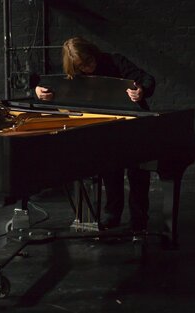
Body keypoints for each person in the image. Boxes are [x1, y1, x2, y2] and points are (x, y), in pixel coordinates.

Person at [35, 37, 156, 232]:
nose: (88, 68)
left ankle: (139, 219)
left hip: (134, 123)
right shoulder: (73, 71)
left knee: (138, 172)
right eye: (82, 67)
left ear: (94, 53)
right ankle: (112, 214)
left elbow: (147, 79)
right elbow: (42, 83)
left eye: (89, 62)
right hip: (104, 125)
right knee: (109, 169)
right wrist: (37, 90)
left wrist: (141, 90)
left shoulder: (115, 61)